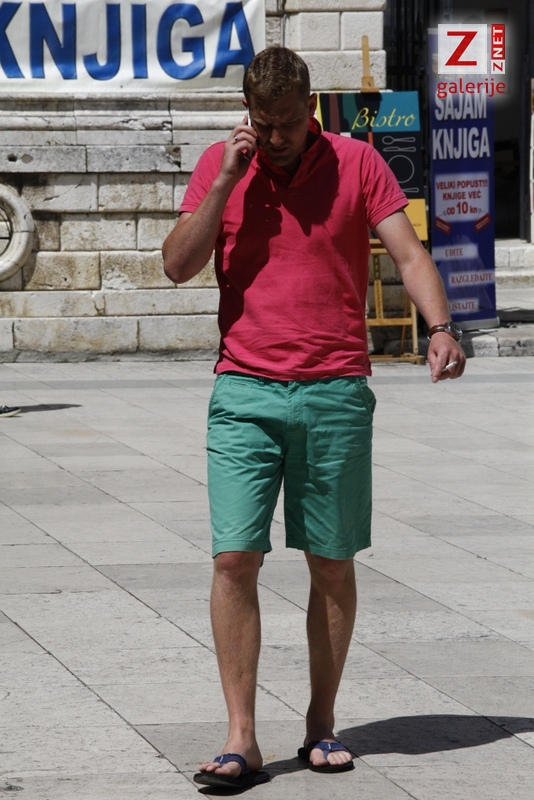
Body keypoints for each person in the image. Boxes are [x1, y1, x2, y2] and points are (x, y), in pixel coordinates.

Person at [163, 46, 465, 789]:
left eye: (290, 123)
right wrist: (226, 181)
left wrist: (440, 327)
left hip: (334, 392)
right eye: (264, 124)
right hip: (244, 392)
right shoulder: (221, 168)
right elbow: (176, 264)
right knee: (234, 559)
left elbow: (408, 254)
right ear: (247, 113)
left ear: (312, 110)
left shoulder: (358, 163)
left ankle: (321, 723)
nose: (276, 138)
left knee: (330, 562)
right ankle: (241, 738)